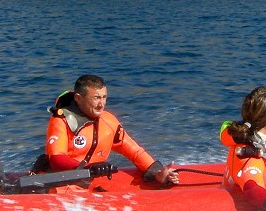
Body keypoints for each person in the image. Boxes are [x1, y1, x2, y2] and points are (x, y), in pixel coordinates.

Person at [37, 74, 179, 185]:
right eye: (96, 98)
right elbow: (56, 159)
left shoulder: (108, 121)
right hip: (59, 182)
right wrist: (89, 167)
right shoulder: (61, 121)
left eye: (104, 97)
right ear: (78, 98)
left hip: (91, 182)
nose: (101, 104)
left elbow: (134, 151)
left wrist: (157, 172)